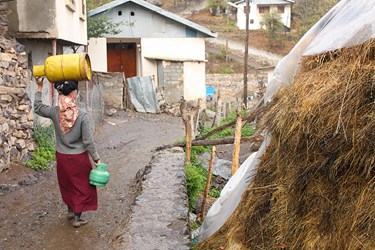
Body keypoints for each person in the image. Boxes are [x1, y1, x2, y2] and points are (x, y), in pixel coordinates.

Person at [34, 77, 100, 228]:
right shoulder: (82, 115)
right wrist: (97, 159)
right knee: (82, 186)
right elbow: (88, 141)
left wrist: (39, 87)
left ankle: (70, 210)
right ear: (73, 94)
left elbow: (37, 107)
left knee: (67, 183)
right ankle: (77, 218)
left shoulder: (54, 112)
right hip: (79, 159)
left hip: (62, 157)